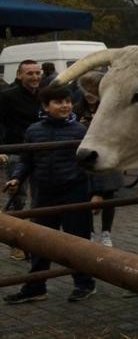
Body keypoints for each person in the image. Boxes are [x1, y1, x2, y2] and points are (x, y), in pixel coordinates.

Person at [3, 85, 96, 304]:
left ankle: (84, 284)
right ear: (45, 106)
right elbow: (27, 160)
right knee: (39, 242)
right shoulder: (34, 131)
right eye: (58, 102)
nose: (64, 106)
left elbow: (91, 164)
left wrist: (98, 193)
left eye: (67, 101)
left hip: (74, 192)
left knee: (76, 241)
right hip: (44, 193)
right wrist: (17, 178)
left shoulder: (80, 131)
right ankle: (36, 287)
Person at [74, 71, 123, 247]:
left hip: (107, 157)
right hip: (86, 160)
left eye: (93, 90)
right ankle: (90, 231)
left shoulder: (113, 110)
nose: (90, 94)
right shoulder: (77, 110)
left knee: (109, 197)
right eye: (86, 90)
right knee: (85, 197)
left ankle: (106, 232)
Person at [0, 60, 44, 261]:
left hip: (42, 152)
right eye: (30, 73)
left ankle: (35, 240)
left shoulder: (45, 94)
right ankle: (15, 243)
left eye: (37, 73)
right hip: (16, 151)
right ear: (19, 75)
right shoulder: (7, 96)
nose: (34, 77)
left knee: (40, 197)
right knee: (18, 198)